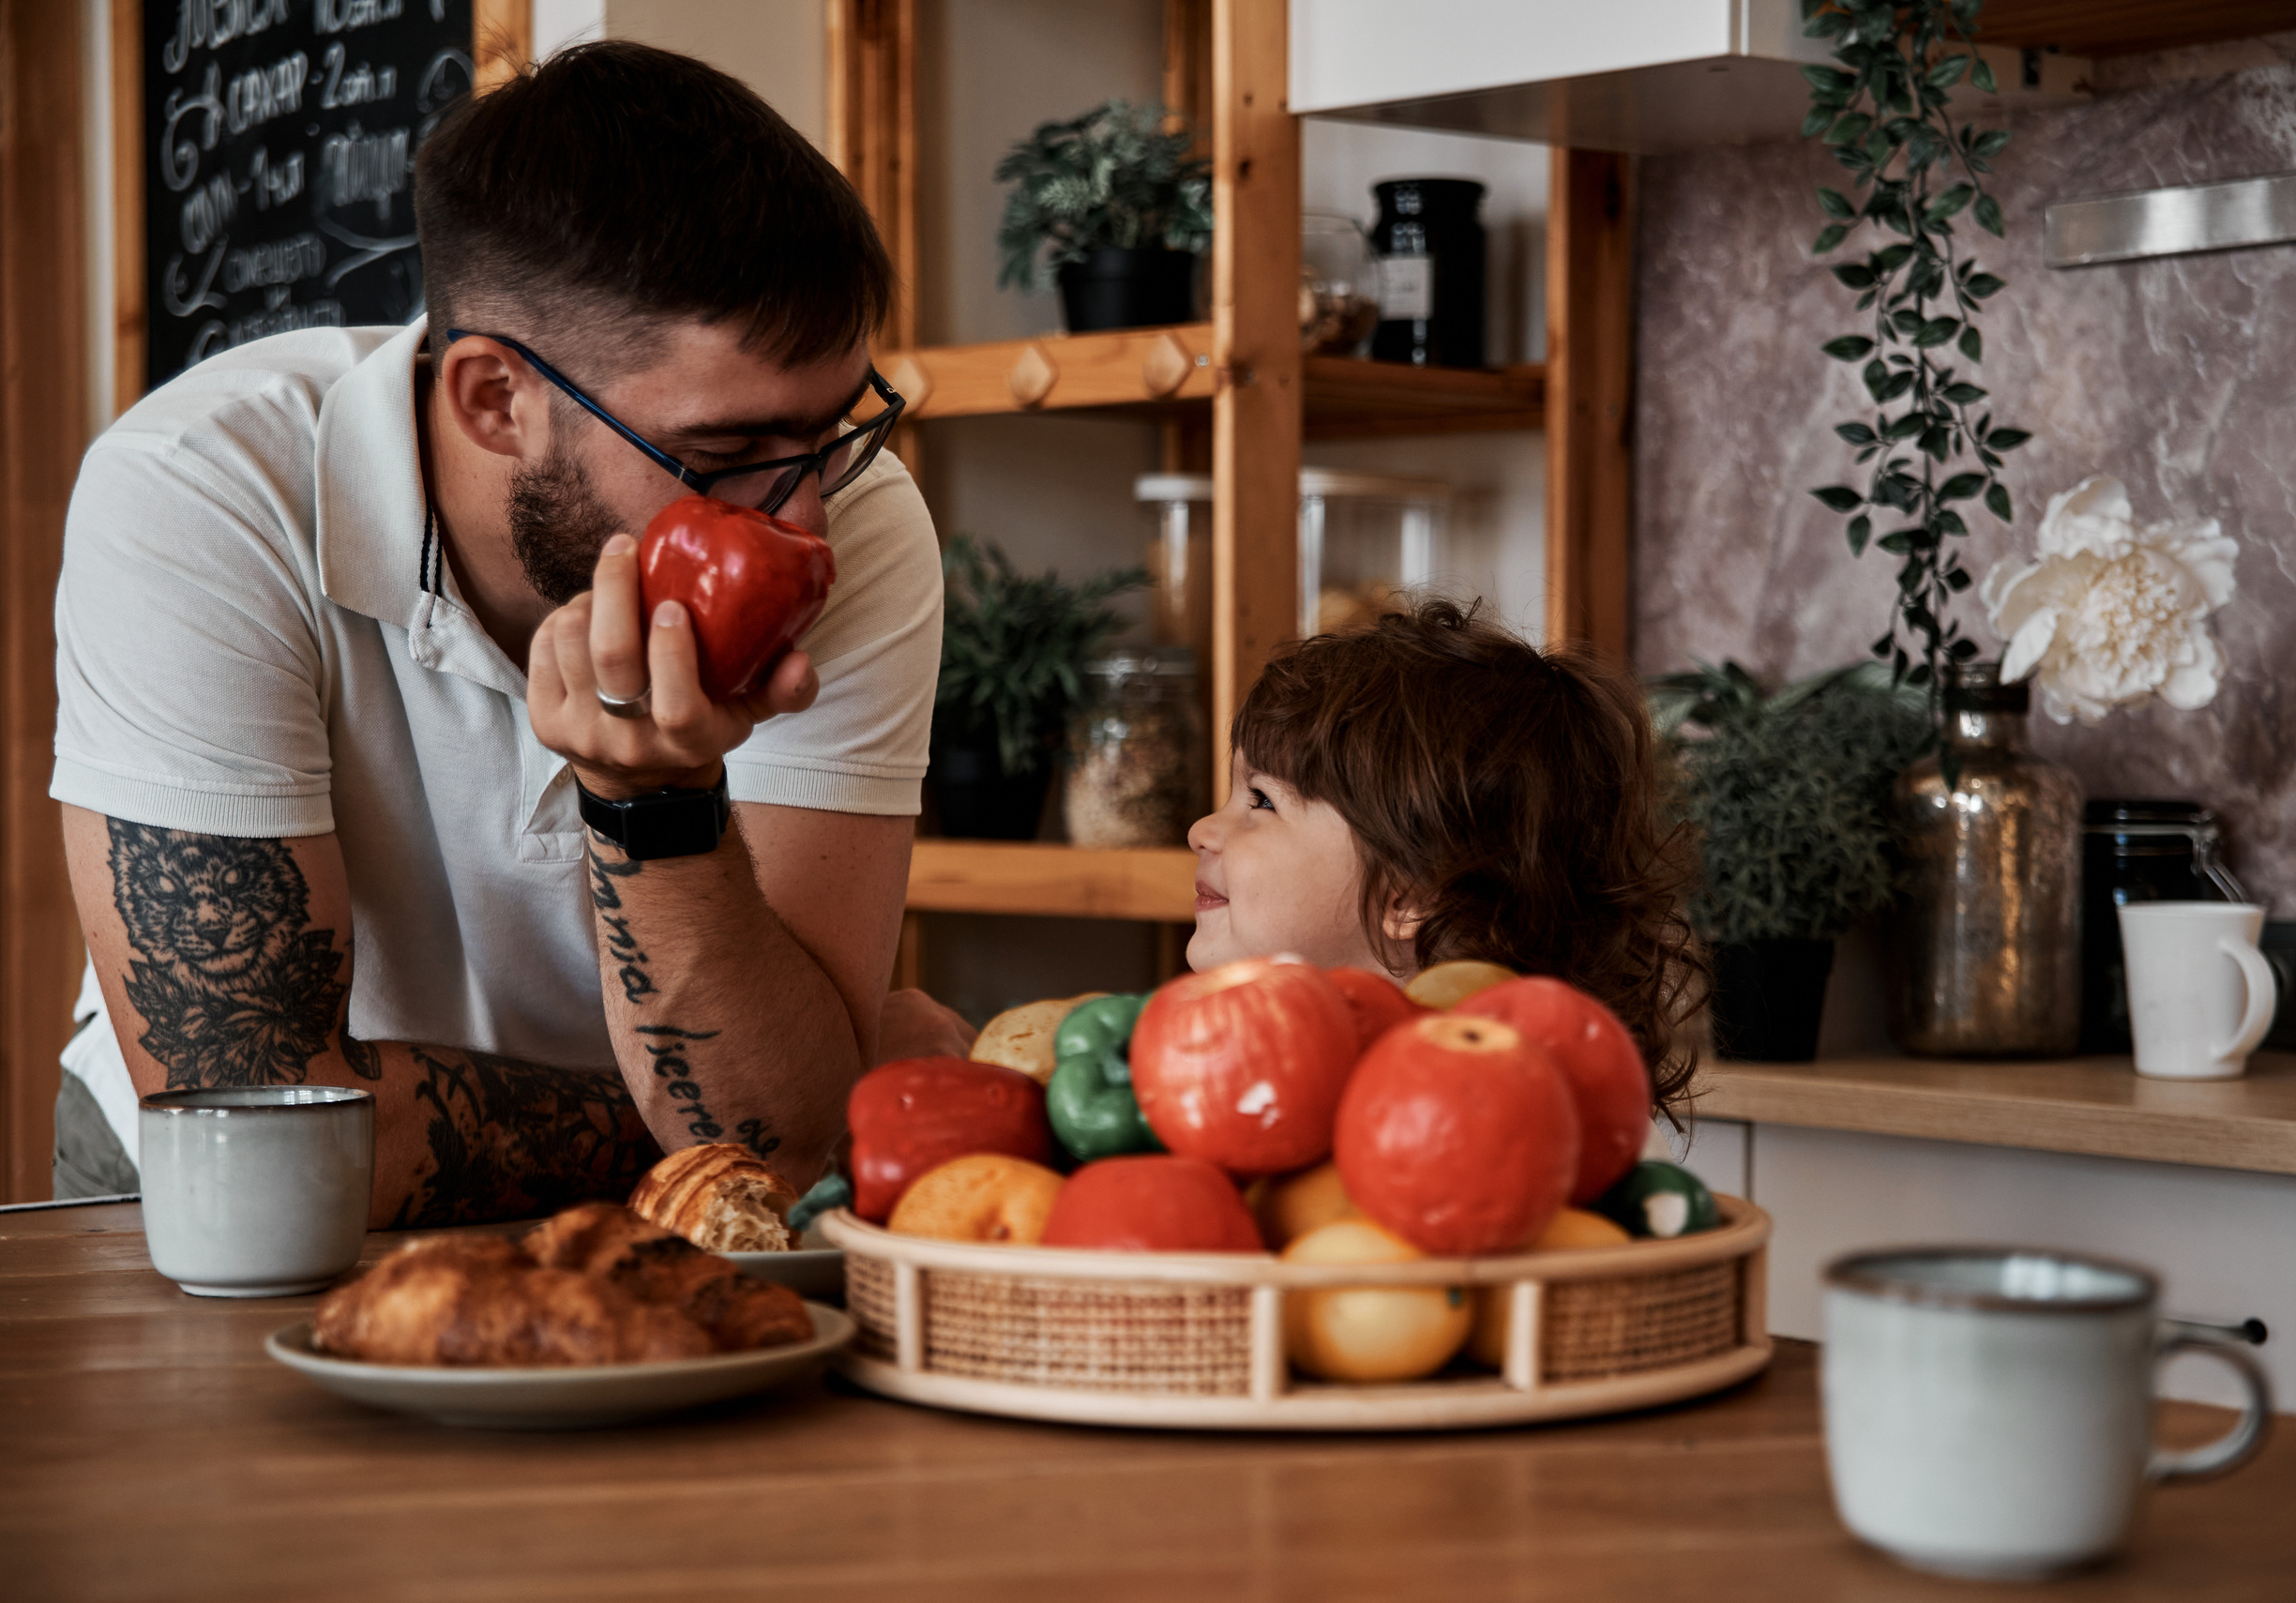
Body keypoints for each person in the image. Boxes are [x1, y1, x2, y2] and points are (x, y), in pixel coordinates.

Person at [51, 43, 969, 1220]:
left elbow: (777, 1145)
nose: (801, 522)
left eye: (833, 433)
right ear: (495, 399)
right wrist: (777, 1095)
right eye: (724, 458)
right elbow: (259, 1124)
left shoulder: (850, 510)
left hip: (649, 1209)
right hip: (209, 1203)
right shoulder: (199, 491)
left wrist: (657, 805)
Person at [1186, 599, 1707, 1109]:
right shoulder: (1244, 1069)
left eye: (1262, 800)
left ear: (1407, 897)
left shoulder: (1515, 1112)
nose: (1200, 831)